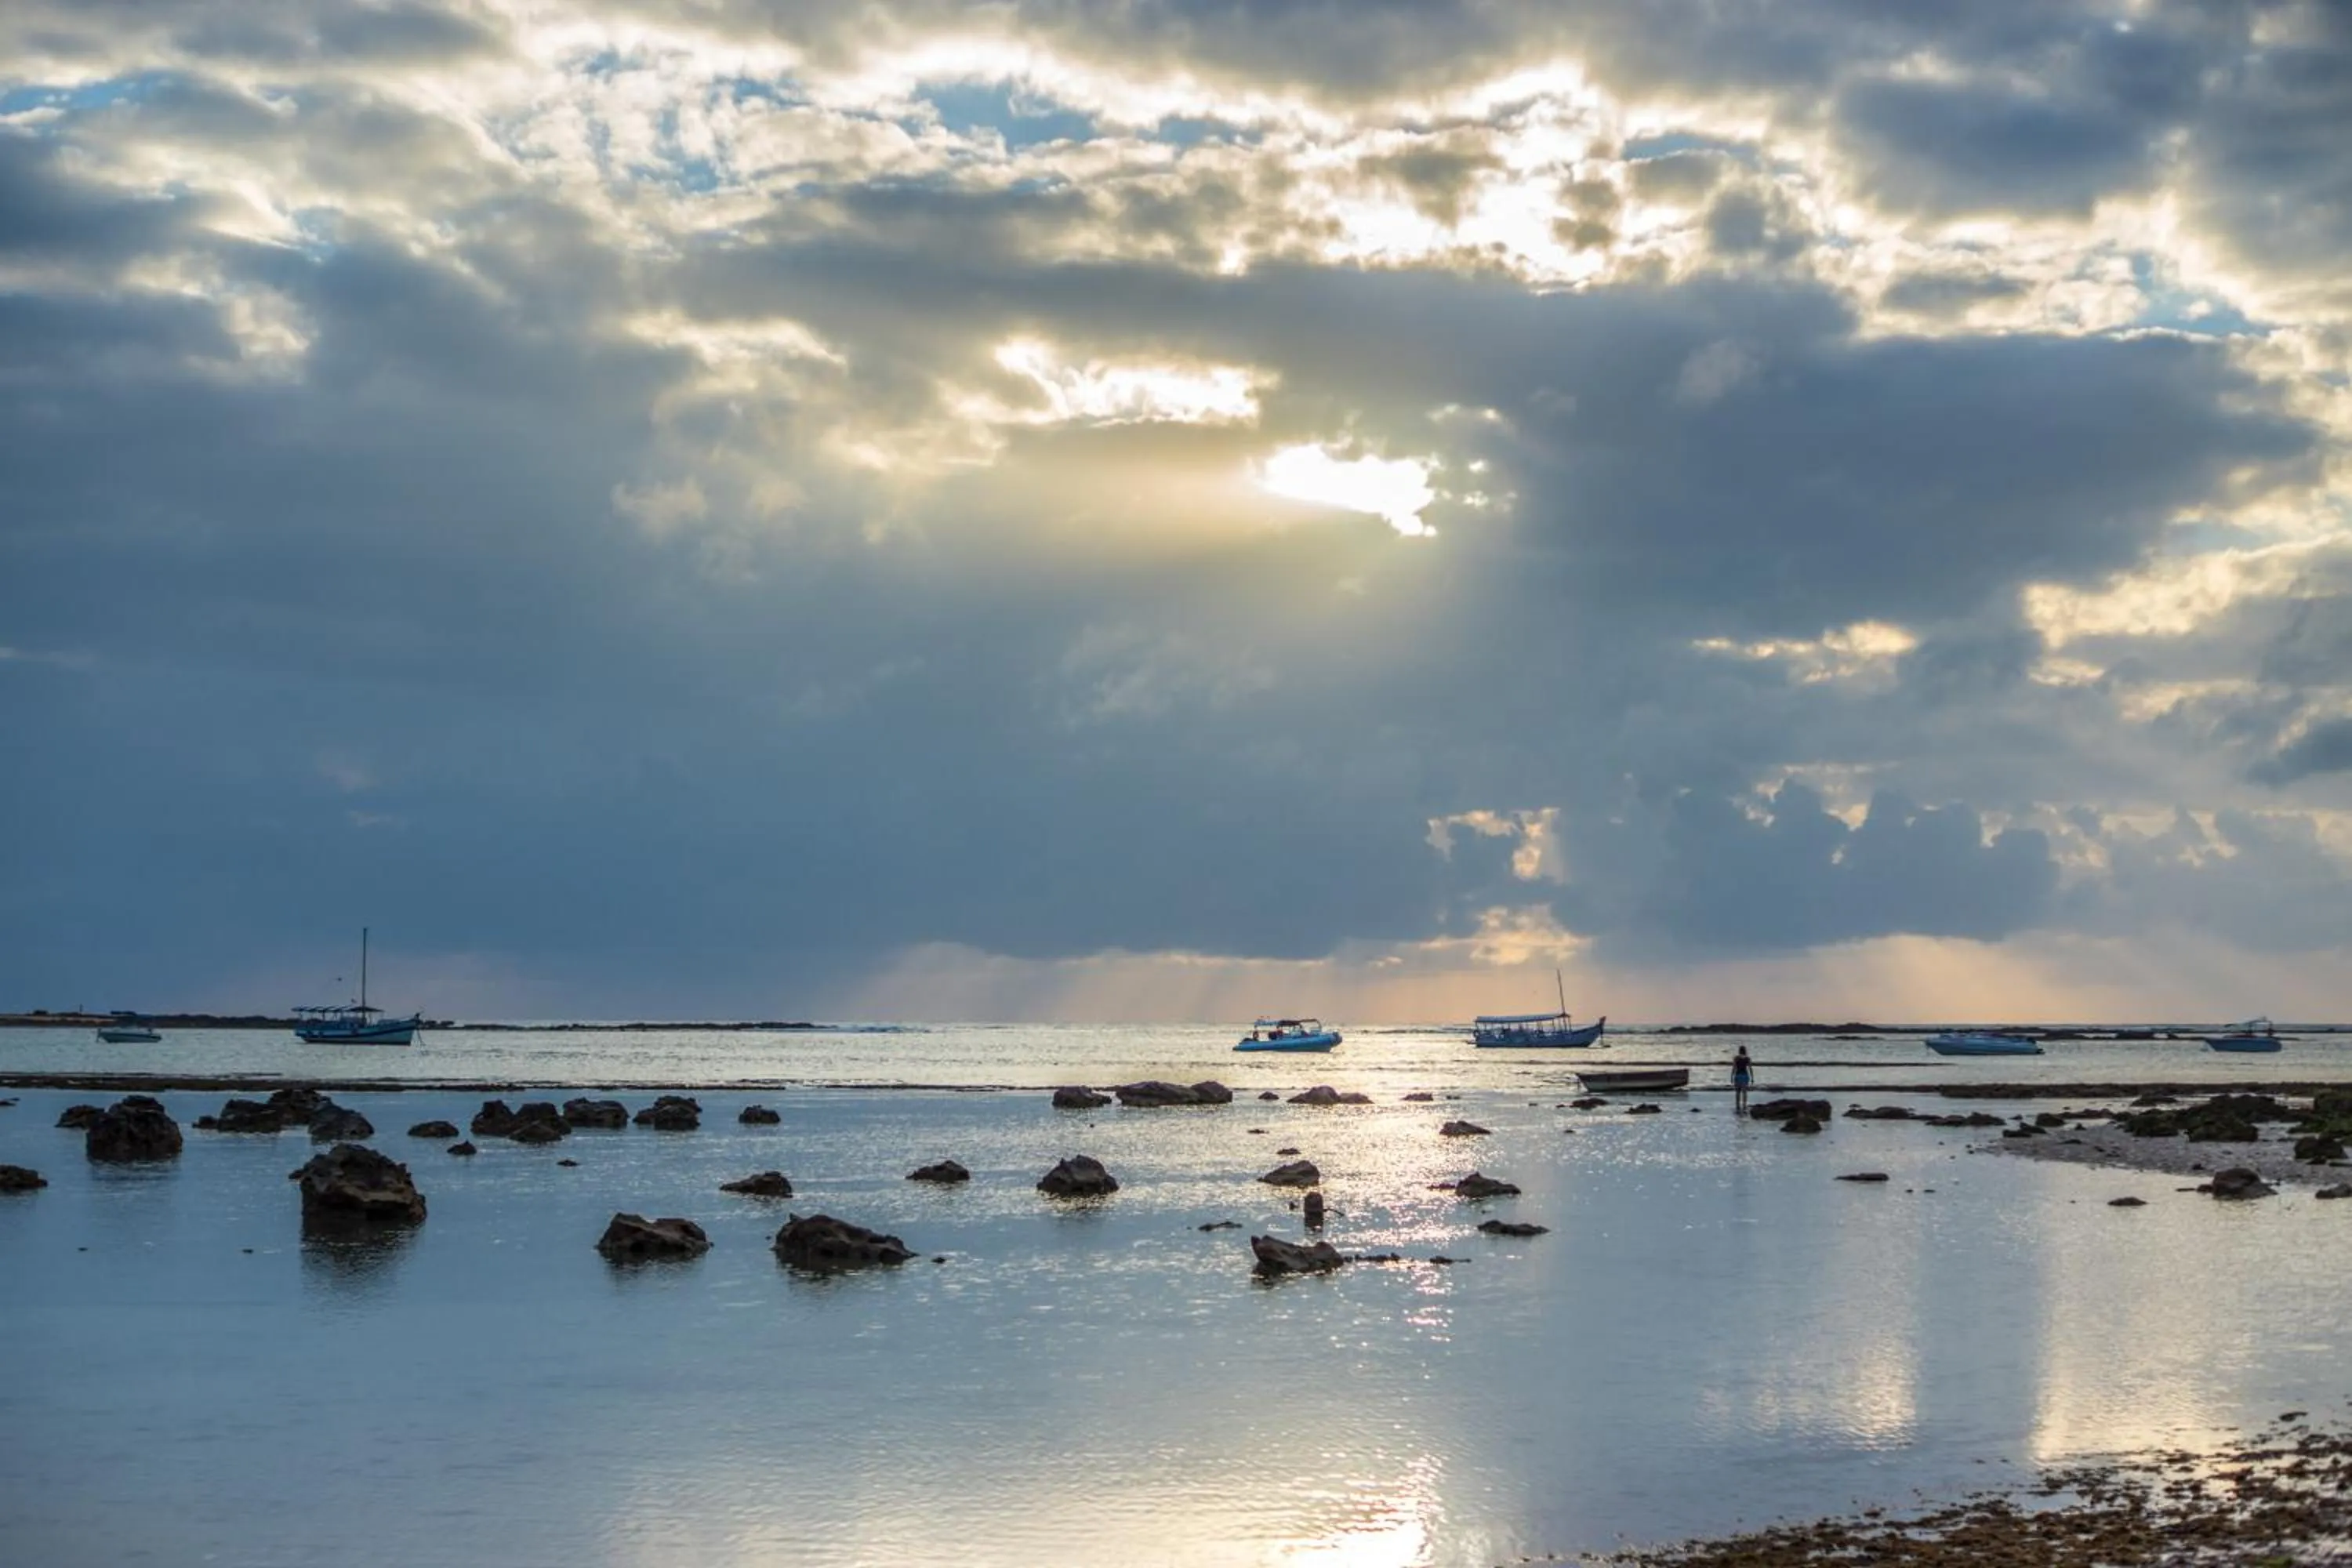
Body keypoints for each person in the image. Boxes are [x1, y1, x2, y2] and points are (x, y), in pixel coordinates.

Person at [1730, 1045, 1754, 1116]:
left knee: (1738, 1092)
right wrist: (1752, 1077)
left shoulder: (1736, 1058)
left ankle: (1738, 1106)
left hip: (1738, 1075)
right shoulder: (1747, 1059)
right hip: (1745, 1075)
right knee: (1744, 1092)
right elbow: (1750, 1068)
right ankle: (1744, 1106)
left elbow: (1734, 1068)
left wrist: (1732, 1076)